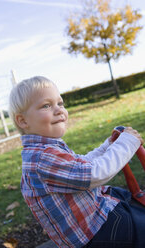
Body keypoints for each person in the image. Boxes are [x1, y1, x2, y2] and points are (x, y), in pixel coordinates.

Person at [9, 76, 145, 248]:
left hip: (97, 222)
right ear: (23, 121)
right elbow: (94, 174)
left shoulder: (45, 149)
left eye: (60, 103)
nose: (59, 110)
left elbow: (81, 164)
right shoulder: (42, 158)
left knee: (126, 200)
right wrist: (127, 143)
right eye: (46, 105)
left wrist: (108, 146)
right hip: (98, 233)